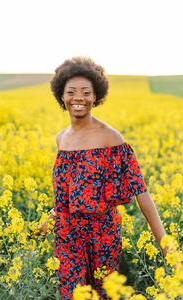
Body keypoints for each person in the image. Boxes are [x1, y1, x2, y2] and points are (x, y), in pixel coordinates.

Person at [38, 57, 168, 300]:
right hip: (68, 233)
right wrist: (48, 221)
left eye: (86, 92)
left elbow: (141, 191)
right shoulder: (61, 138)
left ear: (95, 96)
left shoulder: (111, 138)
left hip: (103, 232)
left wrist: (164, 242)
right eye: (71, 92)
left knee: (104, 295)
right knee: (72, 295)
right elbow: (69, 192)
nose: (79, 98)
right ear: (61, 96)